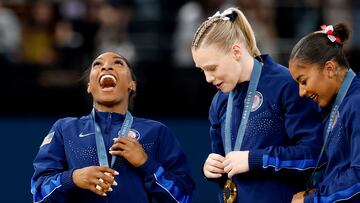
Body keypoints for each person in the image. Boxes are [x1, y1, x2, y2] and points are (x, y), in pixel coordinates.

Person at [191, 7, 324, 203]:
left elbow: (314, 155)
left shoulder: (286, 84)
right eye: (202, 70)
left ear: (236, 51)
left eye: (212, 68)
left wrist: (255, 159)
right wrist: (213, 168)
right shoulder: (219, 100)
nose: (208, 78)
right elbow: (225, 160)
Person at [30, 51, 195, 203]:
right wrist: (73, 178)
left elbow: (182, 197)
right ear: (89, 86)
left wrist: (146, 164)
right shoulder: (65, 129)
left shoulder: (156, 132)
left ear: (132, 85)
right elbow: (39, 194)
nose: (106, 66)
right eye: (97, 64)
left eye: (118, 63)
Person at [289, 24, 360, 203]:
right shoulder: (338, 104)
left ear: (329, 68)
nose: (301, 92)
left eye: (303, 81)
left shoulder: (356, 102)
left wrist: (313, 199)